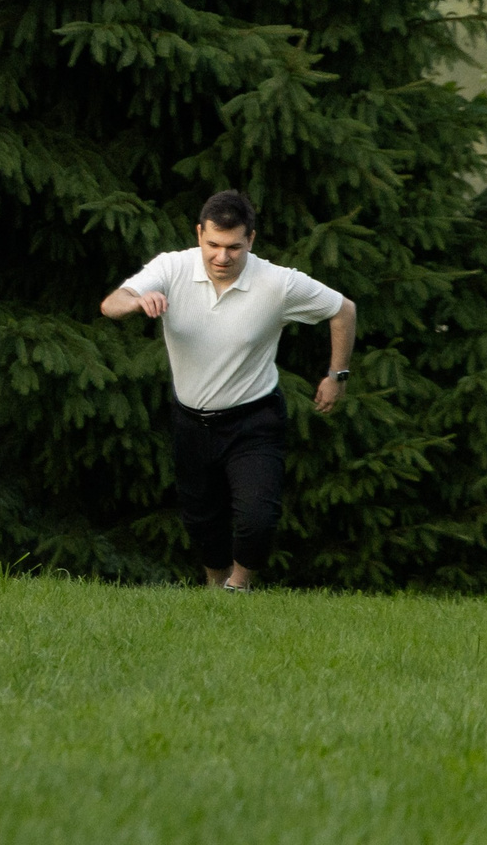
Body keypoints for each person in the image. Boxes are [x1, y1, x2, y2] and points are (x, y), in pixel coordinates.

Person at [99, 190, 356, 592]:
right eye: (213, 245)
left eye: (234, 247)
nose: (222, 257)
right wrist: (136, 300)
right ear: (199, 234)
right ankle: (216, 589)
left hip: (254, 418)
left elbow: (344, 309)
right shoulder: (172, 267)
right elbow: (111, 304)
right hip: (191, 419)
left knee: (258, 516)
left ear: (250, 240)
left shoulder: (279, 283)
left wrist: (336, 375)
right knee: (201, 519)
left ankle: (239, 587)